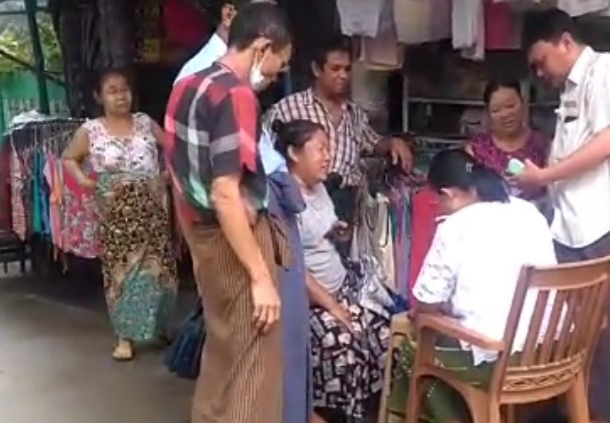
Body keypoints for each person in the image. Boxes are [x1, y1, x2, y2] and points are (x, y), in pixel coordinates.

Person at [165, 2, 293, 423]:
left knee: (220, 361)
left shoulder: (186, 86)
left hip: (205, 241)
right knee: (251, 371)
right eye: (279, 63)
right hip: (236, 241)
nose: (275, 75)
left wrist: (195, 251)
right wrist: (260, 275)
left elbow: (176, 179)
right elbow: (225, 192)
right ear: (261, 47)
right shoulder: (236, 95)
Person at [390, 148, 557, 423]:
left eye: (438, 200)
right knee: (455, 335)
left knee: (414, 349)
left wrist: (433, 313)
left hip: (501, 361)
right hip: (549, 352)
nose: (439, 207)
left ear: (449, 194)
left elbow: (424, 299)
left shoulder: (456, 226)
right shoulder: (528, 212)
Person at [516, 9, 610, 423]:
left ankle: (599, 415)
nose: (540, 72)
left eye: (541, 61)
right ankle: (571, 404)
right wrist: (540, 186)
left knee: (606, 324)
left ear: (565, 42)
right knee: (571, 326)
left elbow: (609, 142)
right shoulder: (568, 90)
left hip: (605, 220)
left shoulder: (608, 70)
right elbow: (568, 153)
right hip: (568, 225)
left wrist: (545, 177)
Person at [272, 119, 391, 423]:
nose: (328, 156)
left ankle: (377, 406)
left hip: (341, 284)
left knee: (383, 326)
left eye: (329, 149)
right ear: (294, 153)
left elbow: (321, 233)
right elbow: (295, 268)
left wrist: (338, 232)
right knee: (345, 337)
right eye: (320, 149)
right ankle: (314, 408)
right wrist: (334, 307)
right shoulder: (285, 200)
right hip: (311, 300)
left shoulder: (319, 187)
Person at [63, 68, 178, 362]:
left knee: (158, 271)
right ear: (99, 97)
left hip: (152, 212)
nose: (120, 96)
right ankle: (125, 336)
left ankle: (159, 327)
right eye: (112, 91)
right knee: (122, 273)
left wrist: (167, 174)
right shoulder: (91, 131)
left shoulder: (145, 123)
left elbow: (174, 148)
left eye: (124, 90)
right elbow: (69, 159)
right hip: (116, 217)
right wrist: (85, 180)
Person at [266, 35, 413, 225]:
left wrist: (394, 143)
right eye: (335, 69)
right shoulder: (287, 109)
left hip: (348, 205)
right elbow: (265, 157)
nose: (343, 75)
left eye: (347, 69)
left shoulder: (355, 114)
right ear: (317, 69)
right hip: (304, 208)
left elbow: (373, 142)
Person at [174, 0, 285, 176]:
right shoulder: (198, 75)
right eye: (262, 18)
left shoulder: (245, 72)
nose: (276, 31)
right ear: (228, 15)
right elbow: (222, 175)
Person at [266, 121, 312, 423]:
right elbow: (295, 202)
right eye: (321, 149)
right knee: (284, 336)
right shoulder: (275, 172)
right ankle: (281, 418)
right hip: (280, 261)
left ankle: (282, 418)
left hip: (278, 259)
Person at [466, 79, 551, 221]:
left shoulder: (544, 145)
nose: (505, 114)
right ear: (487, 113)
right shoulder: (475, 150)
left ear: (523, 105)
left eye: (511, 106)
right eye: (496, 110)